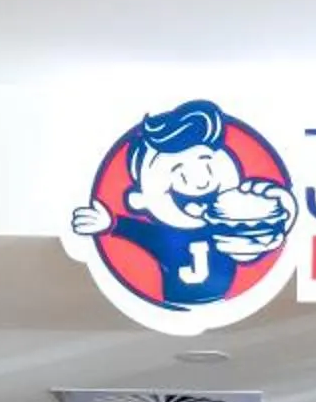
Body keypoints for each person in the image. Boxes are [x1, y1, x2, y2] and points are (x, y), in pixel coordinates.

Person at [69, 99, 297, 311]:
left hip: (220, 305)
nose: (200, 182)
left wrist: (282, 210)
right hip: (174, 305)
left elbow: (261, 238)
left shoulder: (232, 223)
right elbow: (137, 231)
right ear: (138, 200)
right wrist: (110, 223)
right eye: (178, 172)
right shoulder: (164, 236)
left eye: (206, 164)